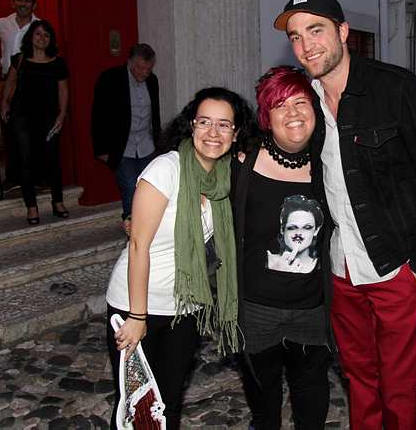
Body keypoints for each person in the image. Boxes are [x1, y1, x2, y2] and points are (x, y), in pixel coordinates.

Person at [274, 0, 416, 429]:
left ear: (343, 31)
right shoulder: (305, 104)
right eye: (296, 36)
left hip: (397, 268)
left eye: (315, 30)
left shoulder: (395, 87)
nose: (306, 45)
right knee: (359, 379)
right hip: (341, 271)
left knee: (399, 386)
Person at [106, 87, 253, 429]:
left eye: (224, 124)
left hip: (187, 305)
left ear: (235, 133)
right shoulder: (166, 169)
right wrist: (137, 316)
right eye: (204, 122)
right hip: (137, 303)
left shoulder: (226, 176)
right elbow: (138, 245)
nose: (213, 132)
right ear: (191, 125)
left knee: (168, 402)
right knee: (135, 406)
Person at [232, 66, 333, 430]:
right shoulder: (242, 162)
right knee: (264, 408)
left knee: (312, 404)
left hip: (312, 310)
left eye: (300, 102)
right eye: (280, 105)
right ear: (266, 117)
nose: (292, 113)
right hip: (256, 311)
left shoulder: (330, 163)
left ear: (315, 109)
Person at [0, 19, 68, 224]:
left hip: (49, 117)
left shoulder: (58, 63)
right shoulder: (19, 59)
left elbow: (63, 91)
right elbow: (10, 83)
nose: (42, 38)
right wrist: (4, 104)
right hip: (22, 116)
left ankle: (58, 201)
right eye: (38, 34)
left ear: (51, 39)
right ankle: (31, 207)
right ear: (31, 37)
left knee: (53, 158)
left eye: (46, 35)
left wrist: (61, 115)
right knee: (25, 159)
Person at [91, 43, 161, 231]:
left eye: (148, 69)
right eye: (140, 68)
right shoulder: (110, 78)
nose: (144, 73)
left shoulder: (152, 81)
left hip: (146, 145)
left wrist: (159, 143)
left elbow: (155, 114)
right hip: (122, 146)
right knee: (130, 186)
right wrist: (101, 149)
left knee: (150, 187)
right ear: (130, 62)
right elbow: (98, 115)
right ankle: (134, 230)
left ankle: (150, 228)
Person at [0, 0, 39, 193]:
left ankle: (36, 177)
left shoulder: (39, 26)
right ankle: (13, 177)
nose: (23, 4)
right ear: (13, 2)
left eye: (27, 0)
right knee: (9, 129)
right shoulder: (3, 24)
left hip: (32, 83)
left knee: (33, 130)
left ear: (34, 4)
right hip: (8, 81)